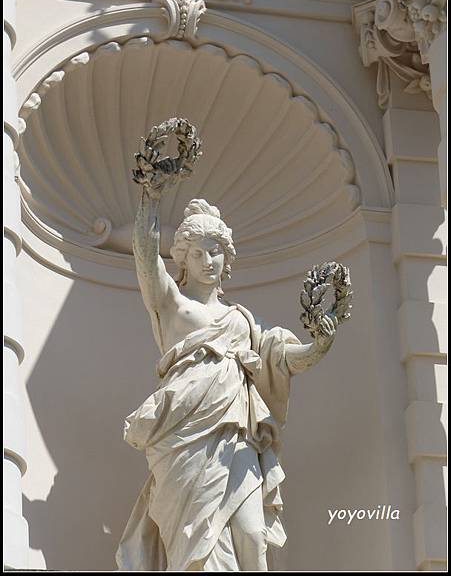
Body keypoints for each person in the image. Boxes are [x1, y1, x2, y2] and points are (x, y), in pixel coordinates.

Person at [116, 181, 337, 572]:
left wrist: (318, 345)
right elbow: (146, 259)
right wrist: (151, 197)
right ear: (182, 258)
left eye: (215, 252)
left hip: (236, 433)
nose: (207, 261)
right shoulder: (172, 304)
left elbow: (284, 357)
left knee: (252, 535)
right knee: (192, 537)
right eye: (197, 253)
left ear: (226, 257)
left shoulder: (242, 320)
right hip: (182, 437)